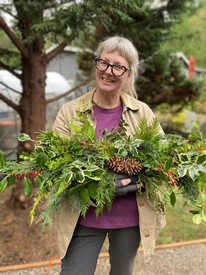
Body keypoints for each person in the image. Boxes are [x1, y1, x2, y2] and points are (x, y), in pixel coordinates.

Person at [52, 36, 166, 275]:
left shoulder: (142, 112)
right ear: (97, 64)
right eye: (104, 62)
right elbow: (55, 167)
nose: (108, 71)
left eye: (118, 66)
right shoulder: (69, 112)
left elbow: (163, 159)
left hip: (129, 219)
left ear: (128, 74)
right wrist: (95, 185)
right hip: (84, 215)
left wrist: (139, 177)